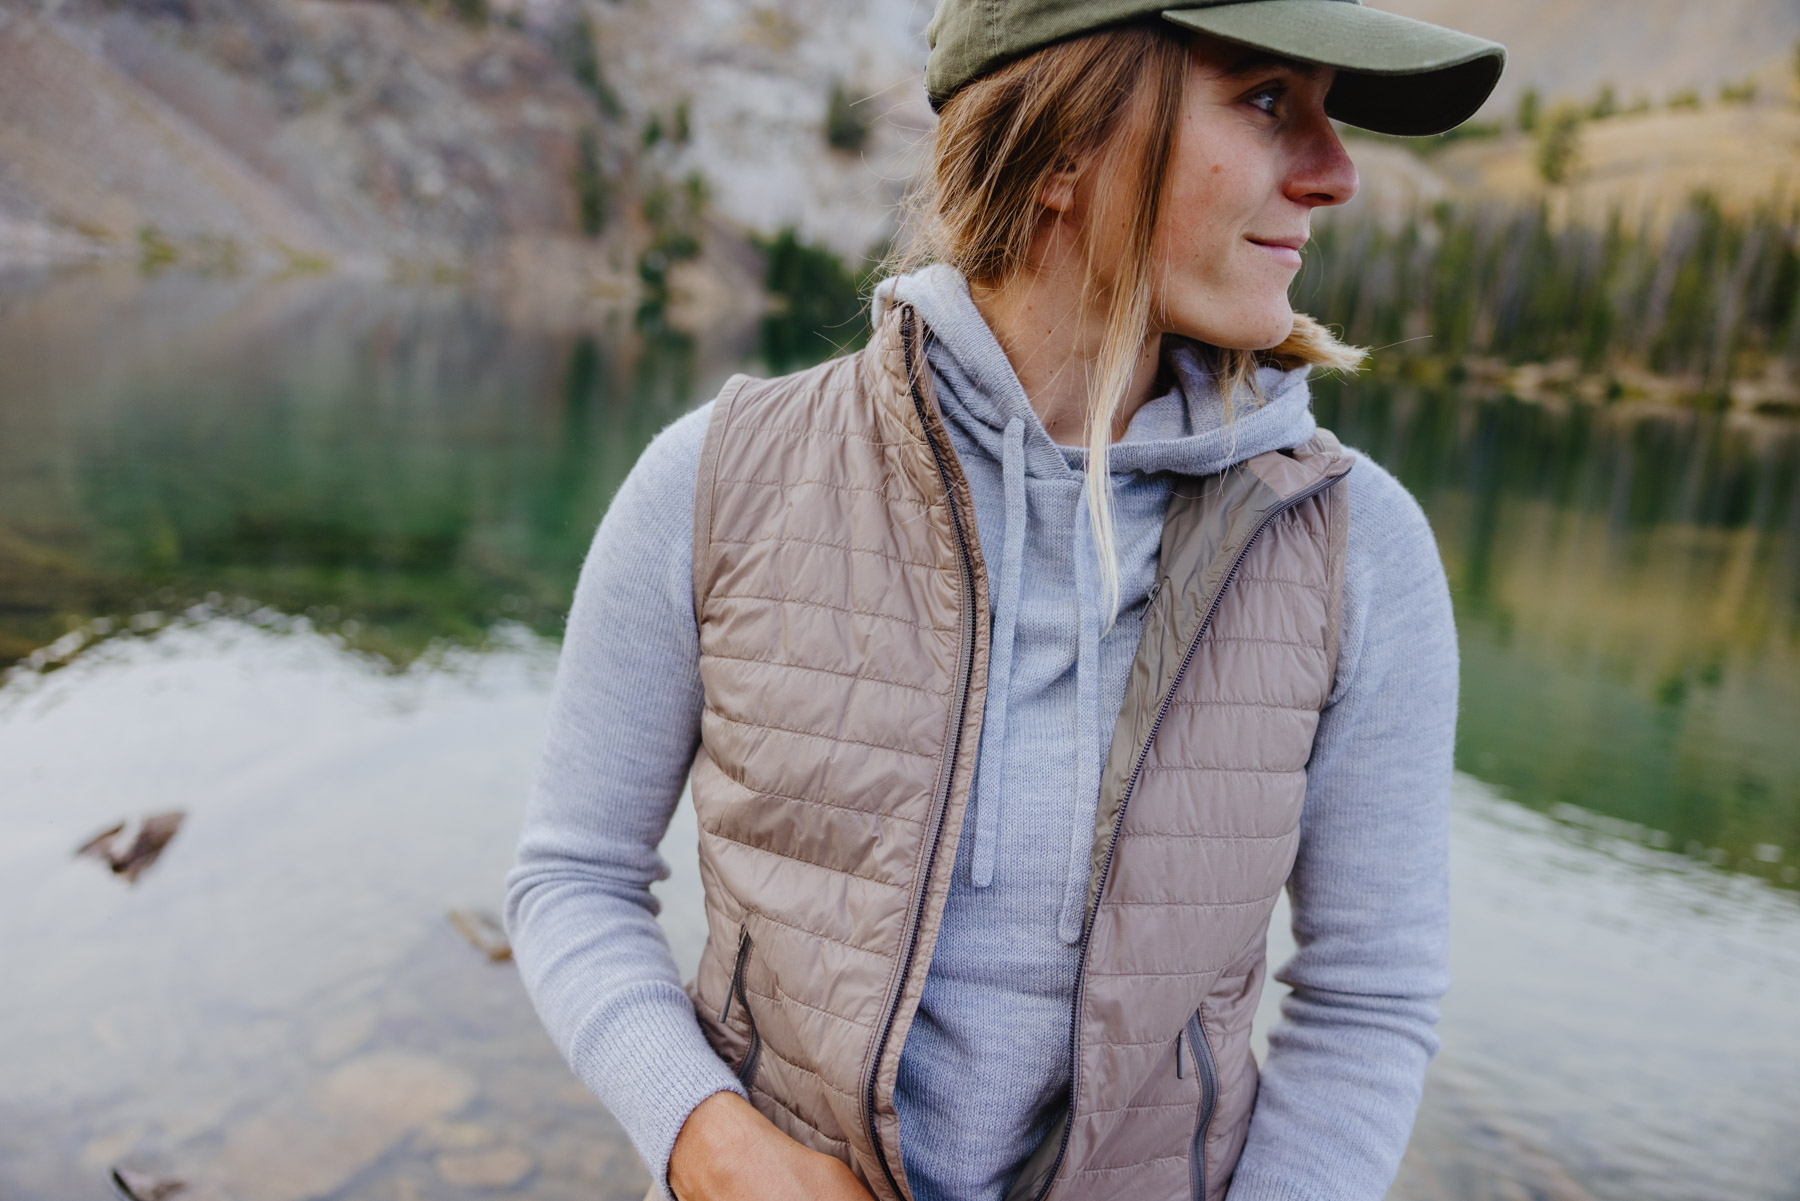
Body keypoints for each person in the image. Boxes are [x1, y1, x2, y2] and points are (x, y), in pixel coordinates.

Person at [505, 2, 1505, 1199]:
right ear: (1066, 144)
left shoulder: (1356, 551)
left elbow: (1368, 999)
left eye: (1327, 111)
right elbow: (574, 877)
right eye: (1265, 98)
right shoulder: (715, 479)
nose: (1337, 172)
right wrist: (707, 1142)